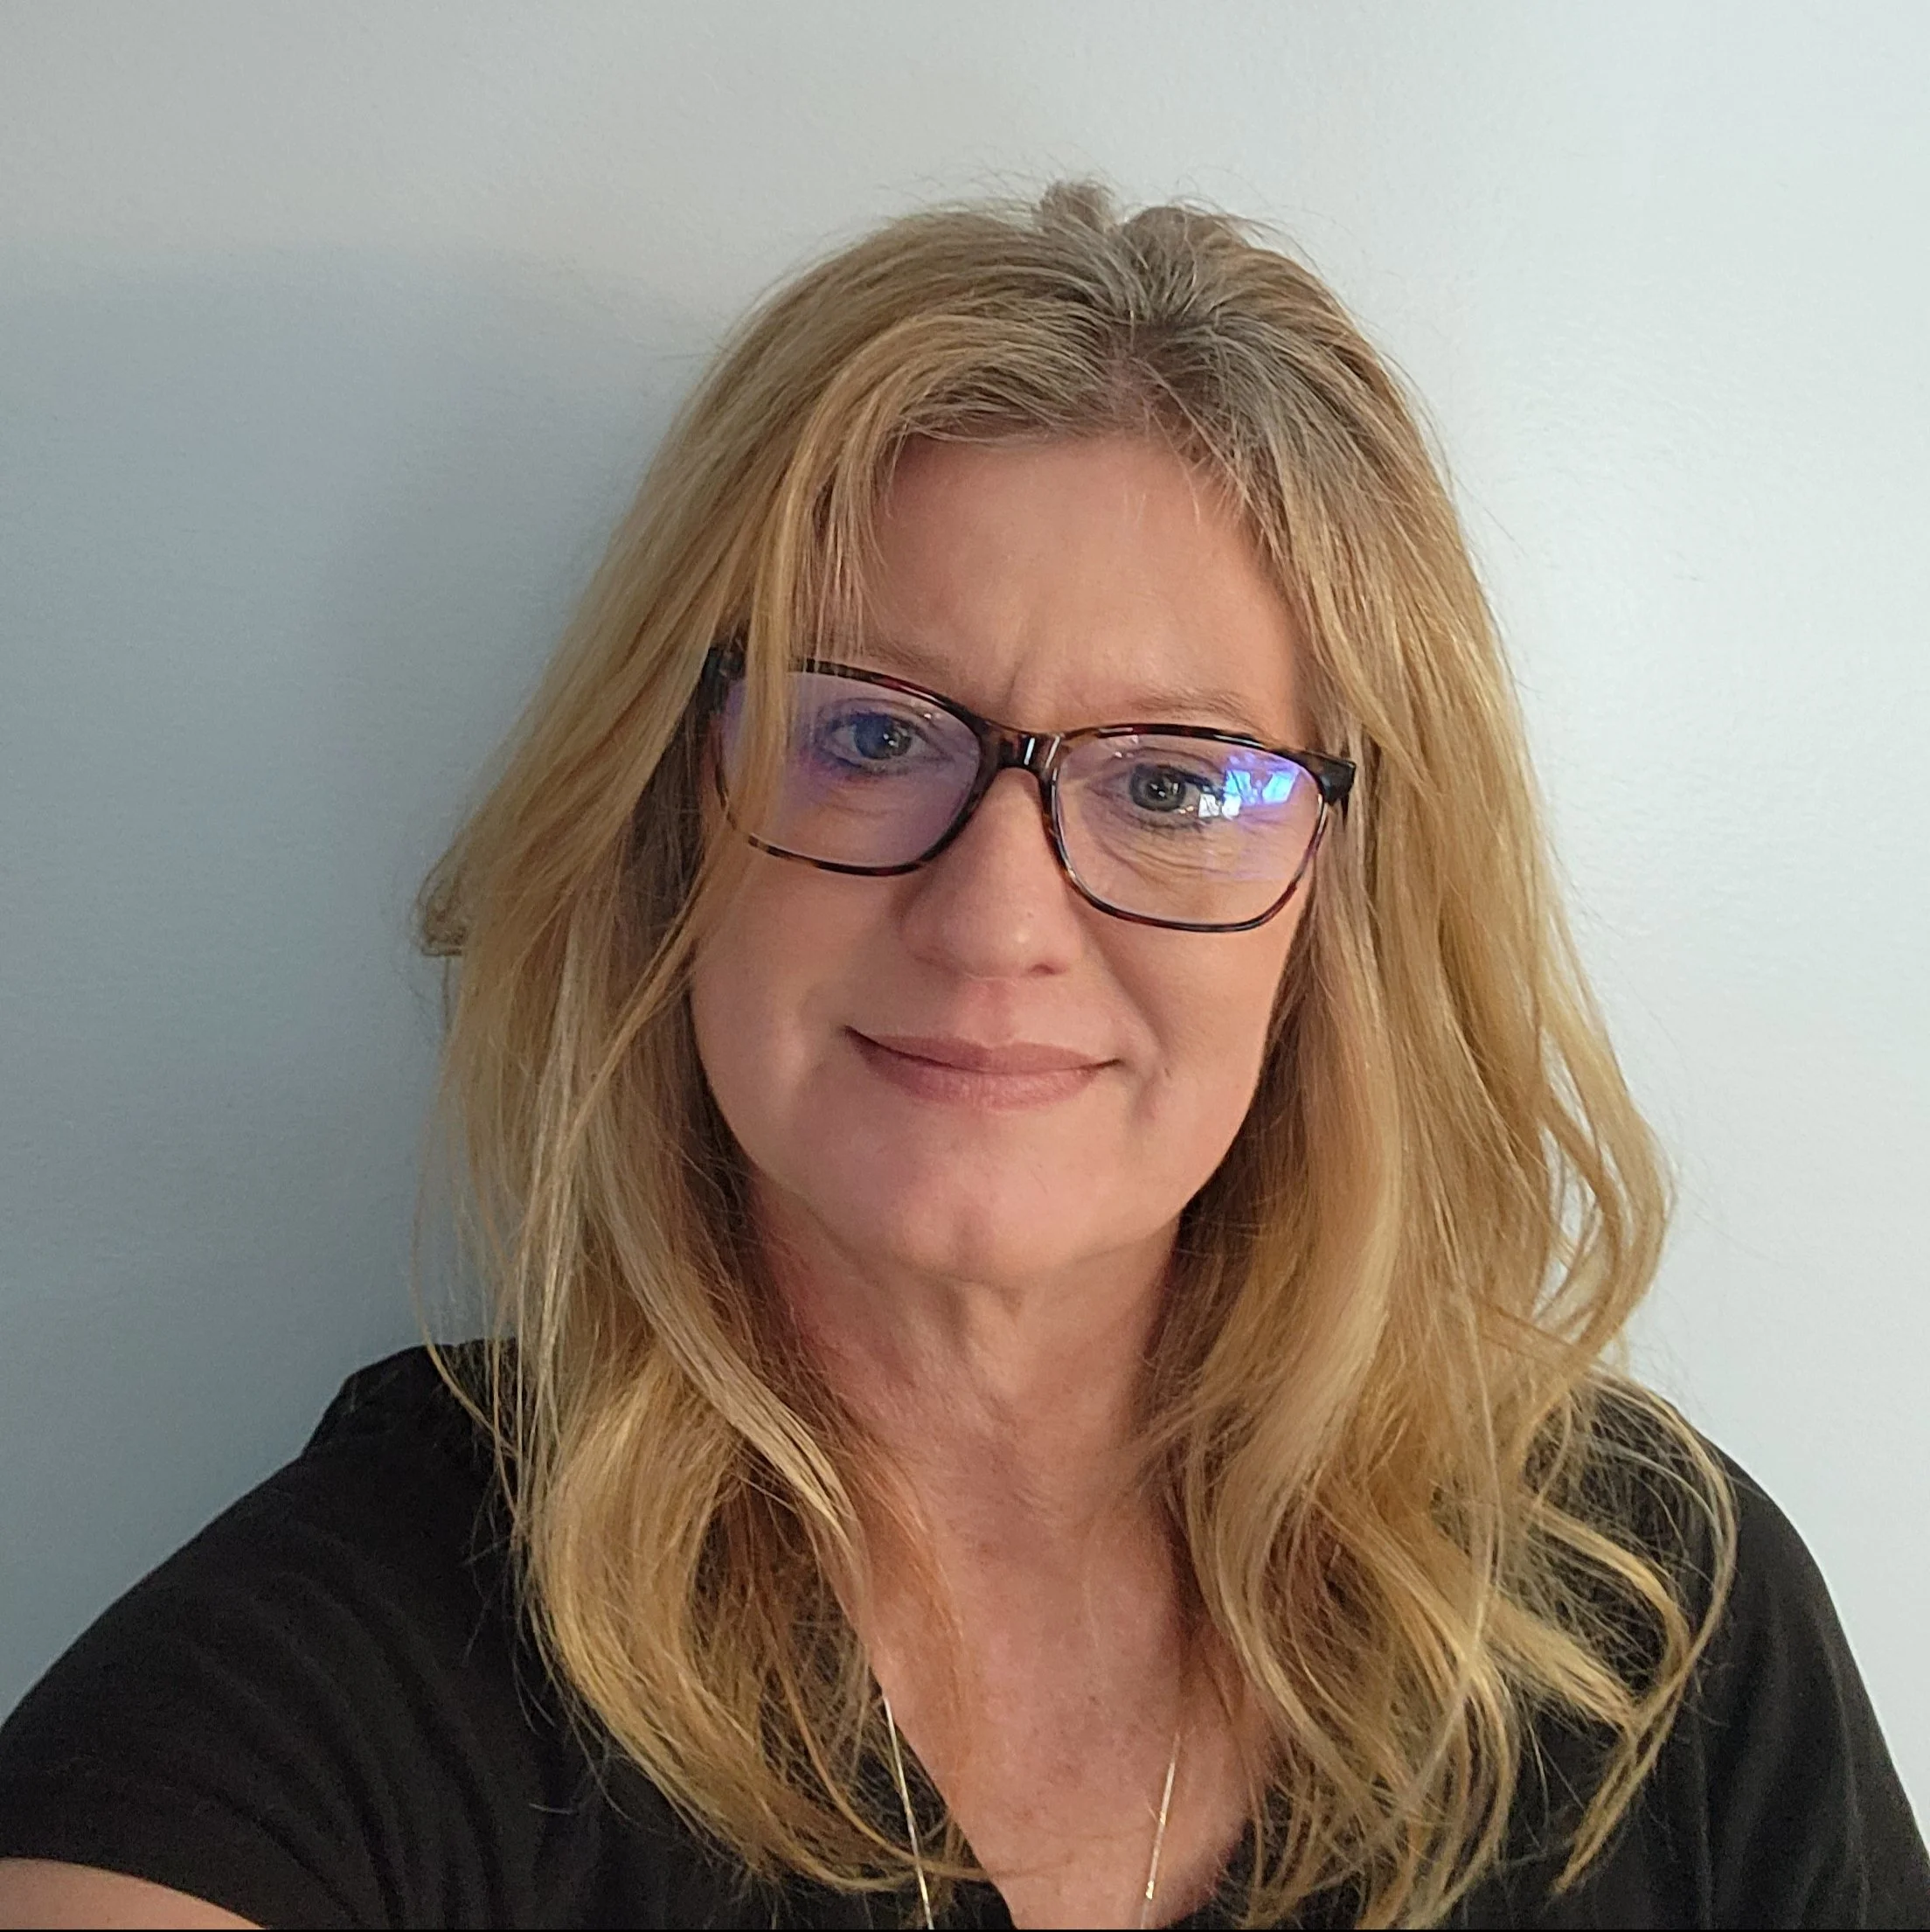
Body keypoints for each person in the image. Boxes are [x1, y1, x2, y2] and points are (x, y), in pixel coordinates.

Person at [1, 182, 1924, 1931]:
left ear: (1341, 905)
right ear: (676, 823)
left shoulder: (1659, 1619)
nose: (999, 917)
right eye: (865, 735)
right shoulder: (375, 1655)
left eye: (1174, 778)